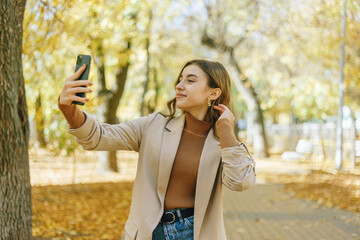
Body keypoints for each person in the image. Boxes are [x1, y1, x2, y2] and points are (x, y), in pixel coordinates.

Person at [58, 59, 256, 240]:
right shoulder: (154, 125)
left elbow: (241, 182)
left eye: (190, 80)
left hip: (194, 233)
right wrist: (69, 110)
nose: (179, 85)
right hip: (148, 231)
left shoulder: (223, 142)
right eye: (180, 80)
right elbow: (98, 137)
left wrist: (225, 131)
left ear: (213, 93)